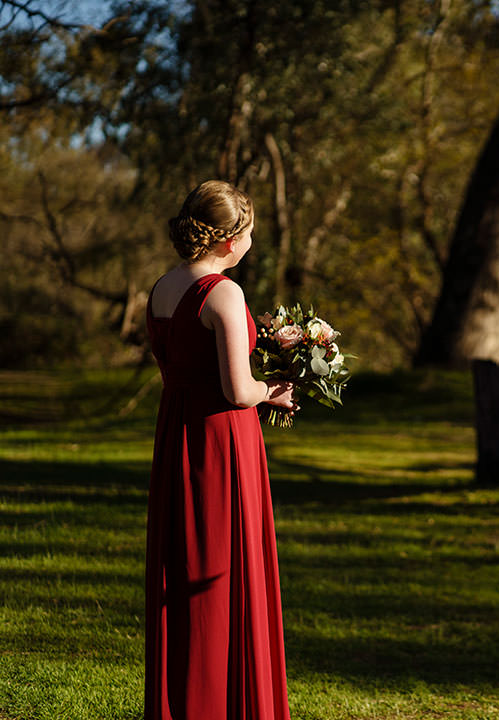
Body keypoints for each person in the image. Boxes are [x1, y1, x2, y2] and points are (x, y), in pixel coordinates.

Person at [145, 180, 295, 719]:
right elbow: (237, 390)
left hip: (177, 437)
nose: (251, 242)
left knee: (183, 571)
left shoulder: (162, 286)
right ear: (231, 240)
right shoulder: (223, 292)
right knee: (221, 572)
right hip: (222, 445)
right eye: (250, 233)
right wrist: (274, 391)